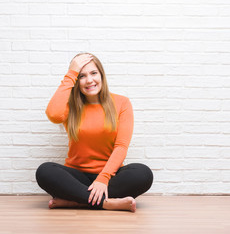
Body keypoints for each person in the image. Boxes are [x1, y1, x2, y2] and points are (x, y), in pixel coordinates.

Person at [35, 53, 153, 212]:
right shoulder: (69, 105)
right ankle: (106, 203)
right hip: (77, 177)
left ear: (101, 75)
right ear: (76, 81)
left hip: (110, 177)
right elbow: (54, 114)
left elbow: (121, 147)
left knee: (143, 173)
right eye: (81, 76)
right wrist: (71, 72)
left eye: (93, 73)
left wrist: (103, 179)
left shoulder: (121, 103)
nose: (89, 80)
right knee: (44, 171)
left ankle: (76, 201)